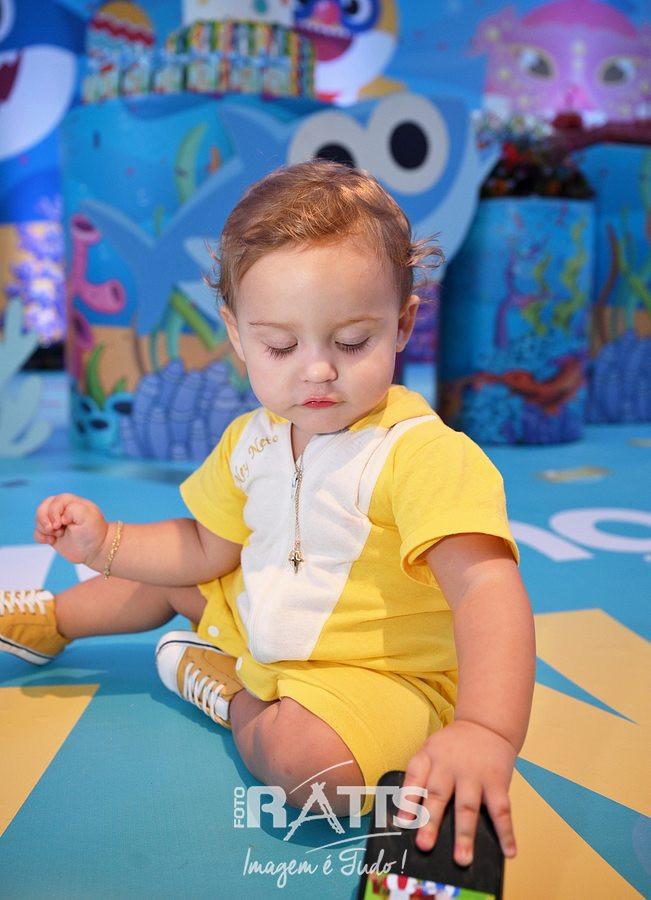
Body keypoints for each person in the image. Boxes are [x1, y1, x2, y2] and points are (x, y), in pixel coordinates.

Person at [0, 160, 535, 868]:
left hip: (375, 679)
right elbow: (202, 548)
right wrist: (105, 544)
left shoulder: (422, 454)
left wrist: (485, 730)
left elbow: (486, 587)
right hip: (257, 617)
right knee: (166, 576)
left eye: (352, 342)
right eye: (280, 346)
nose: (316, 370)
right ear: (236, 333)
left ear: (403, 323)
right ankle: (52, 620)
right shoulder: (252, 438)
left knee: (313, 771)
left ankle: (230, 694)